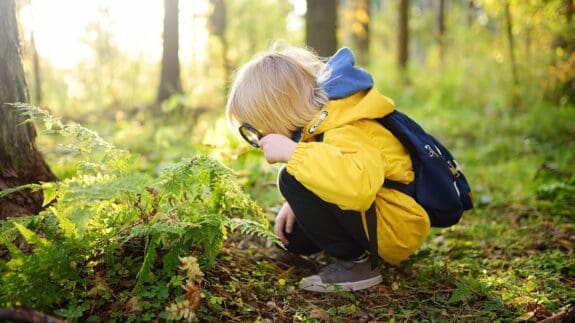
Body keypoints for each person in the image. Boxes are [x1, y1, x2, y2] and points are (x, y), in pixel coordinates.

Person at [225, 45, 430, 292]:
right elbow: (330, 167)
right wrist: (295, 202)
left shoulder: (344, 125)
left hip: (395, 225)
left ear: (278, 113)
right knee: (295, 237)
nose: (258, 139)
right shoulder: (319, 123)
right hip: (379, 214)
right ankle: (349, 251)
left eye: (258, 129)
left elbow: (358, 187)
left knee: (289, 179)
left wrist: (293, 154)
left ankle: (356, 266)